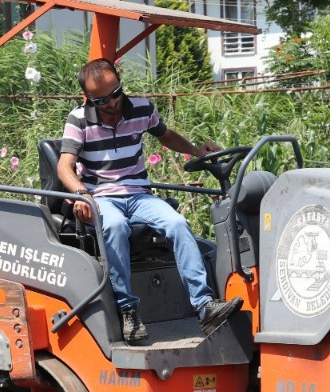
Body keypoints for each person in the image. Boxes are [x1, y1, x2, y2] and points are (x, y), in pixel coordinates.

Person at [57, 58, 242, 345]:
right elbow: (64, 166)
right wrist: (81, 194)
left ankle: (205, 306)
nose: (111, 103)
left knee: (177, 222)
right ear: (89, 98)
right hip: (101, 197)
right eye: (101, 99)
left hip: (139, 194)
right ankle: (127, 309)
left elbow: (165, 136)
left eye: (115, 93)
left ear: (120, 84)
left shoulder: (142, 108)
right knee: (116, 227)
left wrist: (196, 151)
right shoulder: (78, 119)